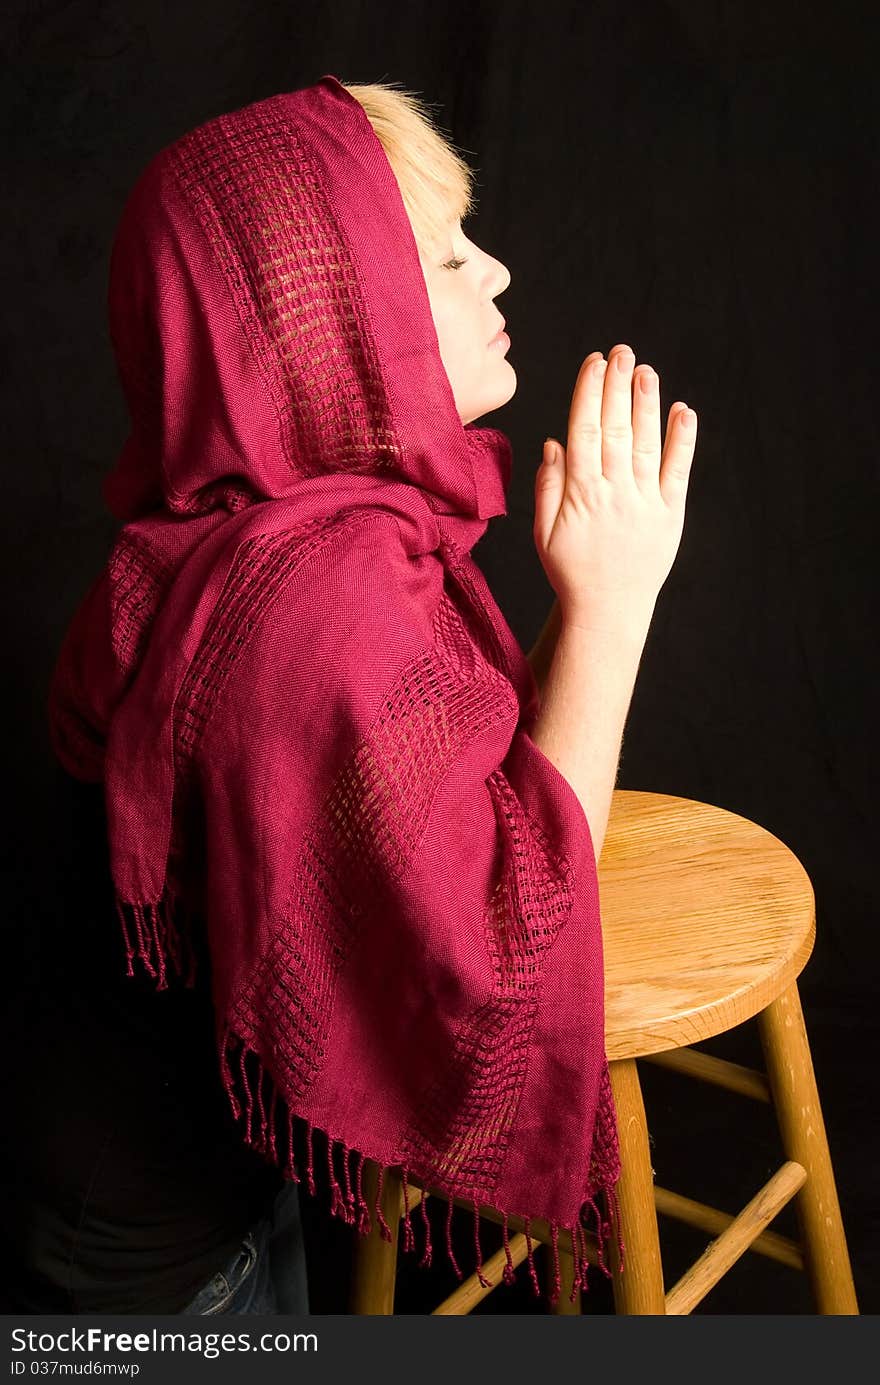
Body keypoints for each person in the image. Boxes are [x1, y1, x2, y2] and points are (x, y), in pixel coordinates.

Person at [7, 73, 696, 1314]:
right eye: (439, 257)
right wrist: (612, 603)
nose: (494, 273)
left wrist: (585, 592)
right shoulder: (314, 612)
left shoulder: (273, 537)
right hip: (148, 1281)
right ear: (323, 323)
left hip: (198, 1179)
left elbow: (458, 805)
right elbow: (505, 945)